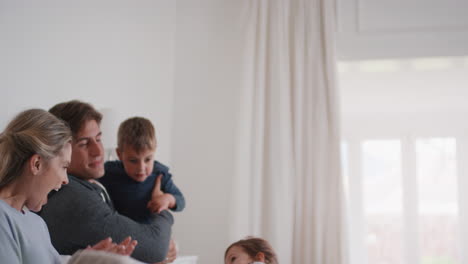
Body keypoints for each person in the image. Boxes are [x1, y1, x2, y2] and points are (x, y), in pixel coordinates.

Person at [38, 100, 176, 264]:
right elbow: (154, 247)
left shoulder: (92, 185)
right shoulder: (72, 197)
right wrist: (162, 205)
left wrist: (160, 240)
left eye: (98, 139)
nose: (98, 151)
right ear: (59, 150)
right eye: (84, 143)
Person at [0, 109, 140, 264]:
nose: (66, 180)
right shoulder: (3, 219)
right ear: (37, 164)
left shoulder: (36, 223)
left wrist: (83, 260)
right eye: (64, 167)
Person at [99, 117, 185, 223]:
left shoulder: (160, 174)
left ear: (154, 151)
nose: (141, 168)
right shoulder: (109, 172)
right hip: (120, 231)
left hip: (150, 231)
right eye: (133, 161)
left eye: (148, 159)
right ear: (120, 154)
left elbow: (181, 200)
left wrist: (168, 199)